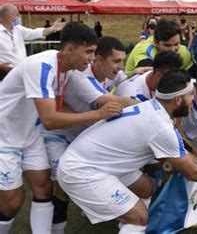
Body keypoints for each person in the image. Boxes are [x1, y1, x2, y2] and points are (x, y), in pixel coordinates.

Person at [57, 69, 197, 233]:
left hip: (95, 160)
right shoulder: (160, 127)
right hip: (82, 170)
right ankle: (131, 221)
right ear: (177, 100)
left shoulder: (152, 106)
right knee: (140, 217)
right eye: (190, 95)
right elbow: (192, 172)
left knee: (146, 188)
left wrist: (192, 150)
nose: (193, 99)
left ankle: (125, 219)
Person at [0, 22, 123, 234]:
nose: (92, 58)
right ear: (69, 49)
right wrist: (97, 115)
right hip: (4, 136)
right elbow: (49, 119)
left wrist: (152, 103)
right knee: (12, 202)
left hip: (29, 135)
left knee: (44, 189)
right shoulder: (41, 65)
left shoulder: (69, 70)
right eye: (89, 52)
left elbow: (103, 98)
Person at [40, 36, 137, 233]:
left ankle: (96, 207)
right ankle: (57, 228)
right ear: (99, 60)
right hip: (60, 134)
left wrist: (136, 74)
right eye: (116, 61)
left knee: (104, 171)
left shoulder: (113, 73)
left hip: (85, 134)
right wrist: (157, 105)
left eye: (123, 61)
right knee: (61, 184)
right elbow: (115, 101)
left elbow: (127, 84)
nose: (120, 66)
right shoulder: (80, 77)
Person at [0, 4, 66, 81]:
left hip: (20, 71)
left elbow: (35, 33)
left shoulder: (18, 29)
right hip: (3, 73)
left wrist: (52, 28)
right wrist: (1, 67)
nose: (18, 15)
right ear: (8, 15)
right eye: (15, 13)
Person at [124, 19, 193, 76]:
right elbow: (147, 73)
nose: (173, 49)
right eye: (167, 45)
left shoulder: (184, 52)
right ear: (156, 42)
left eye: (176, 44)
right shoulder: (145, 49)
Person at [116, 51, 183, 102]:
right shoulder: (131, 95)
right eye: (171, 79)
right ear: (158, 75)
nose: (174, 83)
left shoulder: (154, 75)